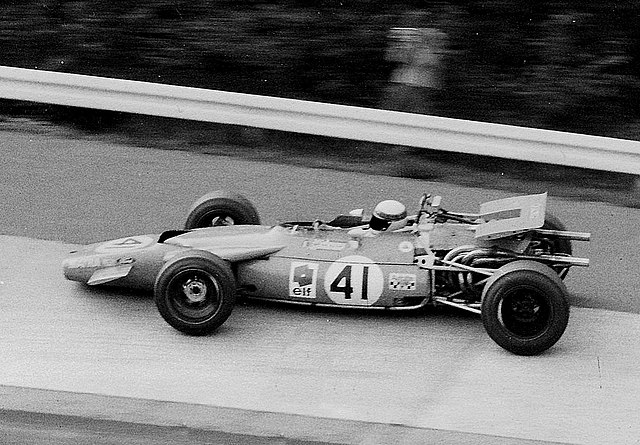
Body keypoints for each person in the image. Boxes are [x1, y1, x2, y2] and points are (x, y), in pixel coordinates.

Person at [383, 10, 448, 115]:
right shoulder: (407, 35)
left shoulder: (434, 36)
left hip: (418, 86)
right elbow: (393, 57)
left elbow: (432, 61)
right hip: (405, 84)